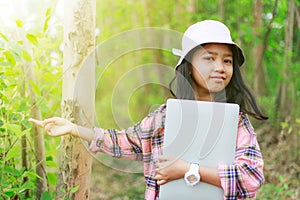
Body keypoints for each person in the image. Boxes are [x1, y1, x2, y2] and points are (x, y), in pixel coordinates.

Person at [30, 20, 267, 199]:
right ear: (189, 66)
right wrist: (73, 128)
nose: (220, 67)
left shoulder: (235, 122)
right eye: (209, 58)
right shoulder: (165, 117)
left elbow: (251, 177)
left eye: (227, 60)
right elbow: (124, 141)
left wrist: (188, 171)